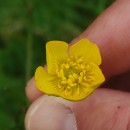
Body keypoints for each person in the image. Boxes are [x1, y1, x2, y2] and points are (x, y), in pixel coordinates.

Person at [25, 0, 130, 129]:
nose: (71, 73)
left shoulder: (94, 75)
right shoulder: (48, 82)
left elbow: (90, 53)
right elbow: (53, 52)